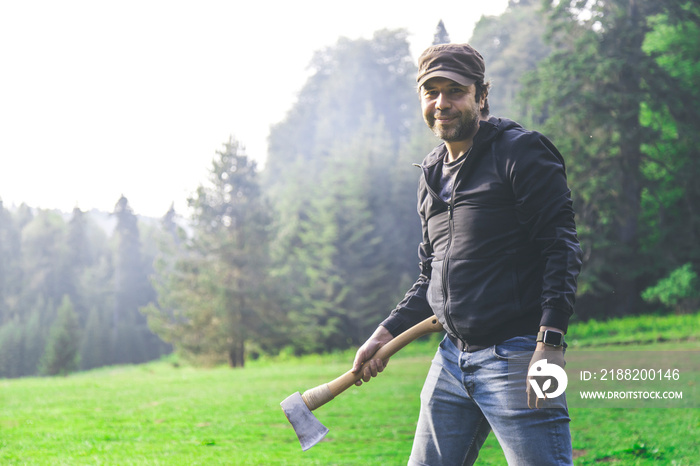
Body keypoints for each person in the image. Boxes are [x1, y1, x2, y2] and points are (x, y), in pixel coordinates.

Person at [351, 43, 582, 465]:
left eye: (454, 90)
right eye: (431, 91)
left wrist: (550, 341)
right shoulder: (430, 173)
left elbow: (560, 247)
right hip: (451, 361)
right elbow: (431, 275)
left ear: (481, 94)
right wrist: (385, 332)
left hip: (517, 357)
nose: (442, 103)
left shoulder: (520, 152)